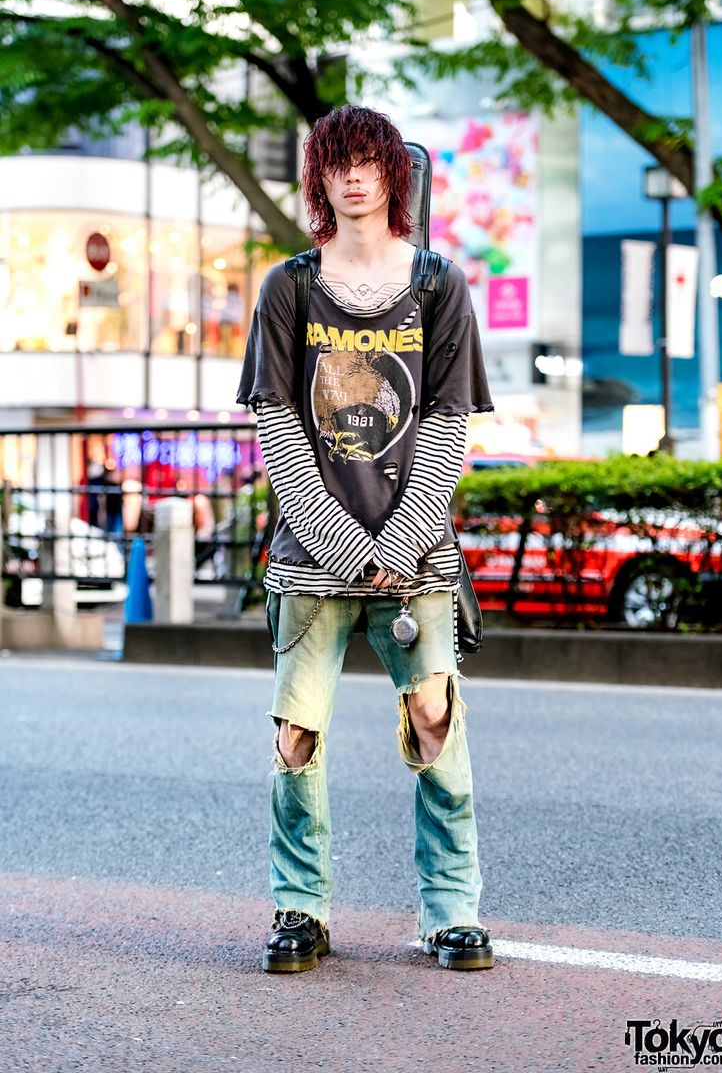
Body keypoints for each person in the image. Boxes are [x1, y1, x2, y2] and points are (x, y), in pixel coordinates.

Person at [236, 105, 495, 973]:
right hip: (312, 561)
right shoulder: (290, 287)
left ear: (395, 174)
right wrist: (347, 546)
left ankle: (452, 910)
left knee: (434, 721)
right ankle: (300, 909)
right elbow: (277, 425)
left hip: (416, 558)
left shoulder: (437, 284)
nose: (354, 176)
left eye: (368, 161)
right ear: (320, 178)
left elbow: (448, 424)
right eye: (336, 162)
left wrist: (402, 537)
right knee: (295, 736)